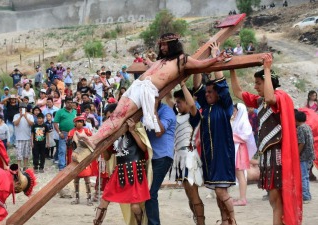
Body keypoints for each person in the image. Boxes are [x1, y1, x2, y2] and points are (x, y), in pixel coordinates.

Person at [73, 35, 230, 163]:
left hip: (146, 91)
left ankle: (93, 140)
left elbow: (201, 64)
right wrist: (148, 61)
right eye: (161, 45)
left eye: (165, 45)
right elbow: (151, 66)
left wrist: (216, 57)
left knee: (119, 118)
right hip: (137, 86)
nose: (162, 48)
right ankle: (93, 138)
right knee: (115, 116)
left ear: (173, 44)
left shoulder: (182, 59)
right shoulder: (161, 60)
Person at [229, 53, 302, 225]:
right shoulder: (260, 101)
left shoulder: (279, 98)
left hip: (277, 155)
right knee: (274, 200)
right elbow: (238, 92)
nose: (255, 86)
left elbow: (270, 97)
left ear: (269, 82)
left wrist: (267, 69)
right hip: (267, 156)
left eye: (258, 83)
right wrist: (231, 68)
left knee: (277, 199)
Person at [193, 43, 236, 225]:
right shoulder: (206, 107)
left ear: (218, 94)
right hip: (209, 156)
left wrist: (216, 56)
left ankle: (232, 219)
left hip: (223, 154)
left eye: (211, 92)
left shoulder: (224, 106)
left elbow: (223, 85)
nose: (208, 94)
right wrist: (196, 63)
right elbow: (196, 86)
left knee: (221, 191)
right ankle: (225, 219)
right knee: (217, 190)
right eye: (207, 92)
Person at [93, 118, 151, 225]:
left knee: (135, 206)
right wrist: (102, 146)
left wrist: (132, 131)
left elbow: (144, 149)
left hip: (134, 169)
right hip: (119, 170)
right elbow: (107, 157)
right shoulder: (114, 135)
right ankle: (96, 223)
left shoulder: (136, 128)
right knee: (104, 200)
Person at [168, 82, 204, 225]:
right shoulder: (177, 114)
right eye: (176, 102)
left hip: (189, 157)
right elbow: (167, 98)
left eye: (180, 102)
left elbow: (192, 105)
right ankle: (197, 220)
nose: (177, 105)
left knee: (193, 194)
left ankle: (201, 223)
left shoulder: (193, 116)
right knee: (189, 195)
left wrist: (183, 85)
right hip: (179, 158)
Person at [145, 94, 176, 225]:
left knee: (151, 193)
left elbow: (159, 131)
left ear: (158, 99)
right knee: (147, 193)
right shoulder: (145, 111)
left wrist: (153, 112)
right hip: (151, 157)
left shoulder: (167, 111)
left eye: (153, 99)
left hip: (163, 157)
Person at [231, 103, 257, 206]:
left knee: (240, 174)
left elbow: (245, 136)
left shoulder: (244, 122)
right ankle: (241, 197)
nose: (234, 112)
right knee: (239, 174)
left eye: (235, 110)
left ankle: (243, 199)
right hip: (236, 149)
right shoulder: (236, 121)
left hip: (240, 150)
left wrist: (231, 137)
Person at [67, 115, 95, 206]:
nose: (79, 123)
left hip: (85, 156)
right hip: (76, 156)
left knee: (87, 178)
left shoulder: (87, 131)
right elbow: (69, 145)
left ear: (83, 123)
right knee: (76, 178)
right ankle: (77, 198)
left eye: (81, 121)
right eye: (77, 122)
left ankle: (89, 198)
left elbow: (92, 141)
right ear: (75, 123)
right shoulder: (71, 132)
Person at [295, 110, 315, 204]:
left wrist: (297, 154)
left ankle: (306, 196)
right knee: (306, 176)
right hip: (310, 155)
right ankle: (308, 195)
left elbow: (301, 143)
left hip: (303, 157)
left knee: (303, 177)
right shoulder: (307, 127)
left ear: (296, 120)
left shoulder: (300, 128)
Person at [53, 97, 77, 170]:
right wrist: (59, 133)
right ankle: (62, 167)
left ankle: (72, 165)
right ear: (65, 103)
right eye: (68, 102)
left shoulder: (75, 111)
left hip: (74, 133)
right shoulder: (60, 112)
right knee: (62, 150)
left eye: (71, 102)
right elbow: (55, 123)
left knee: (74, 150)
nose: (70, 104)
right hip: (64, 133)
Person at [13, 103, 34, 169]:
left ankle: (25, 166)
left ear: (26, 109)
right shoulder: (16, 116)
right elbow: (15, 124)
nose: (21, 110)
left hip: (27, 137)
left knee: (26, 153)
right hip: (19, 137)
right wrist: (20, 116)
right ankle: (18, 167)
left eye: (23, 108)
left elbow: (31, 124)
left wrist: (25, 117)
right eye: (20, 109)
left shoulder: (30, 116)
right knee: (19, 153)